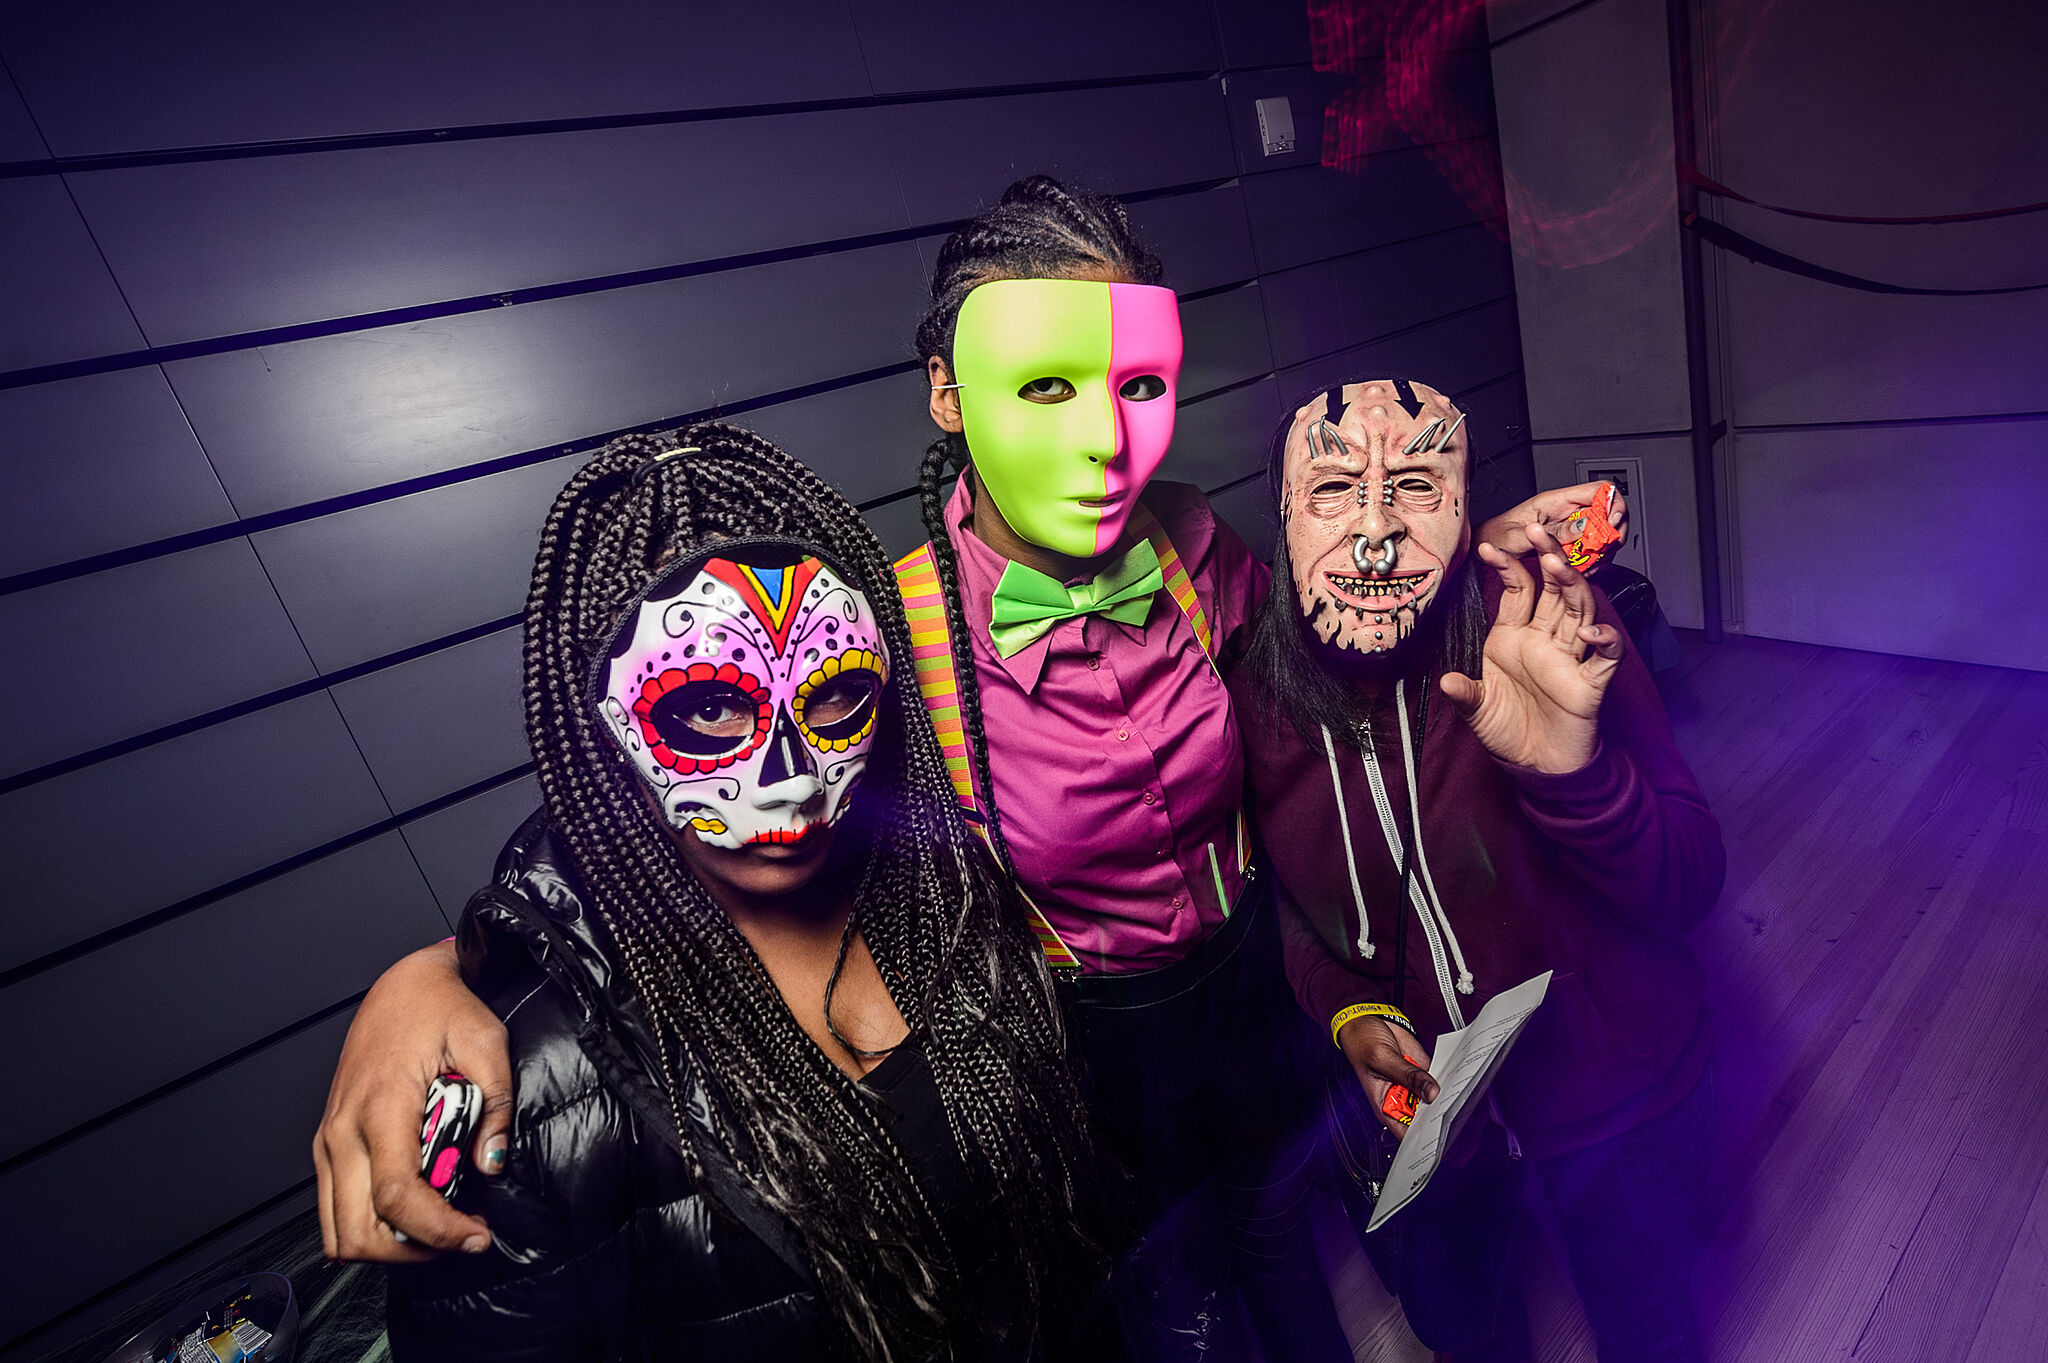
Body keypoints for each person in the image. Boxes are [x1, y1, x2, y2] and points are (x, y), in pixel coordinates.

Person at [316, 178, 1614, 1361]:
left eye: (1133, 383)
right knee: (1179, 1291)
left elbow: (1338, 664)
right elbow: (674, 773)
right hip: (1085, 1037)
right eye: (1046, 384)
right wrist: (443, 967)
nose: (1105, 440)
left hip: (1257, 977)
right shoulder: (884, 634)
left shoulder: (1196, 549)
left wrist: (1466, 571)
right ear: (950, 394)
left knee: (1311, 1209)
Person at [376, 425, 1108, 1361]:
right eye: (708, 708)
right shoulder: (522, 1084)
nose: (793, 777)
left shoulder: (948, 891)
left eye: (834, 694)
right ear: (604, 726)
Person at [1235, 377, 1725, 1363]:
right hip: (1430, 1114)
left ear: (1460, 516)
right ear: (1283, 516)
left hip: (1601, 1081)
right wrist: (1350, 1012)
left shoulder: (1544, 621)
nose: (1374, 531)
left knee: (1643, 1306)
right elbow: (1287, 904)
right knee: (1466, 1324)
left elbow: (1685, 879)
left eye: (1415, 485)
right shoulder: (1256, 696)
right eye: (1332, 489)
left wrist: (1575, 777)